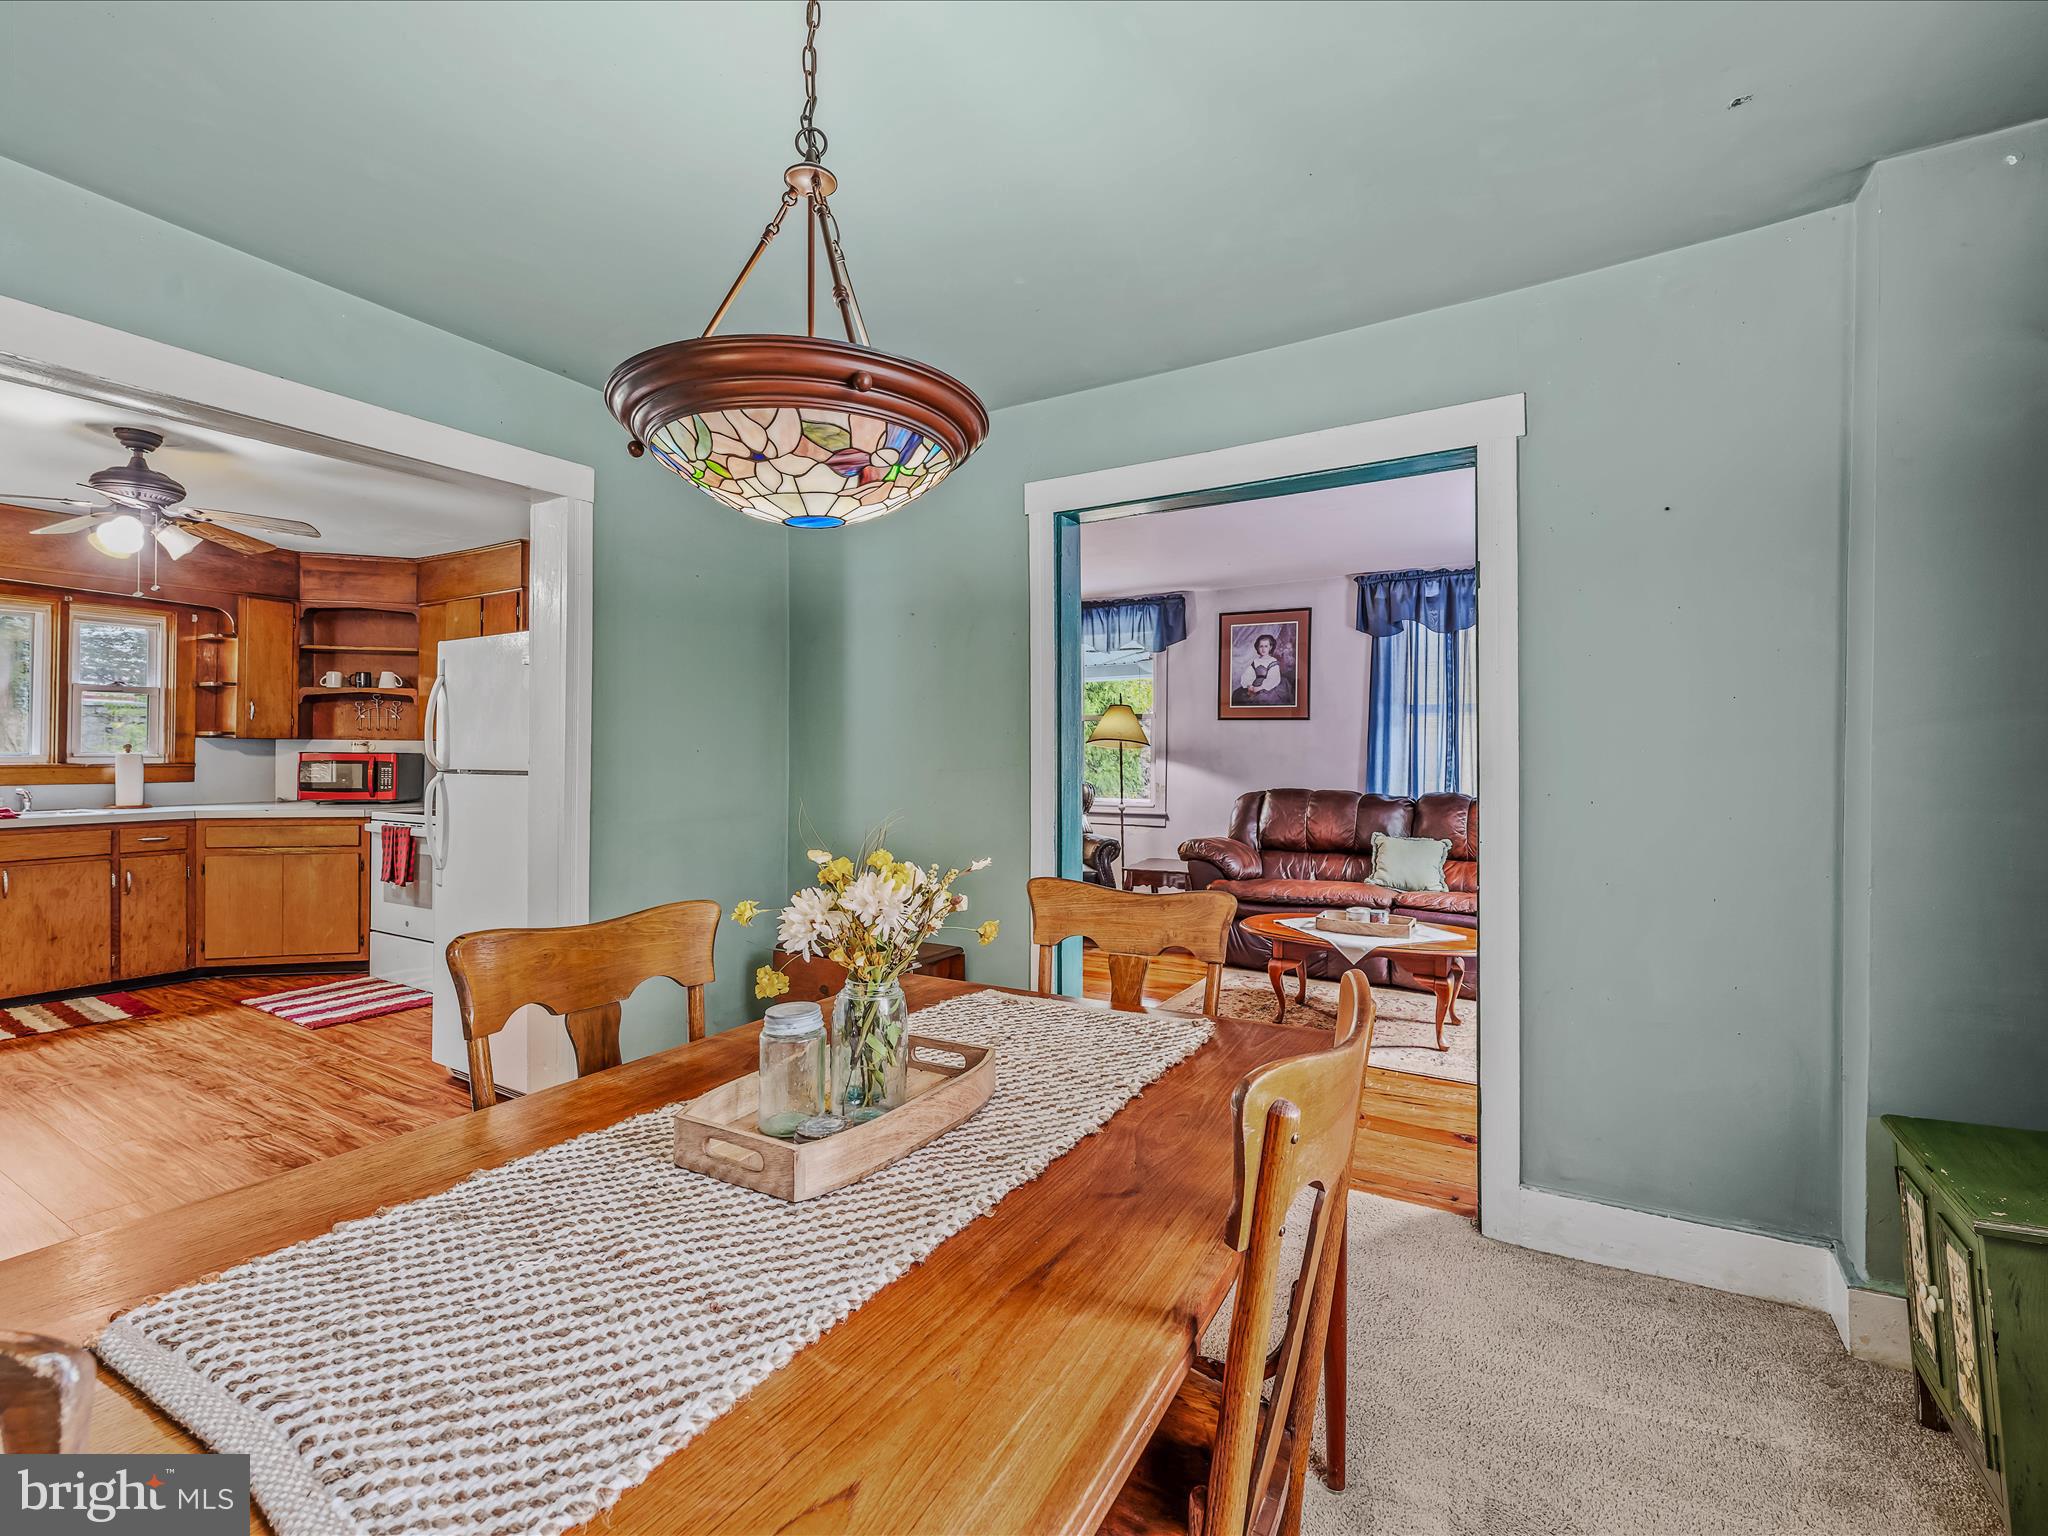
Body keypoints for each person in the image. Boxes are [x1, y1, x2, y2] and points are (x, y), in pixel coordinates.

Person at [1237, 633, 1285, 701]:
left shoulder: (1272, 661)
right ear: (1257, 647)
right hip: (1254, 686)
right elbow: (1248, 674)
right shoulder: (1256, 661)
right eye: (1261, 646)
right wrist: (1249, 685)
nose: (1263, 649)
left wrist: (1260, 687)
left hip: (1267, 688)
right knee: (1239, 696)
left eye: (1266, 646)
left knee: (1261, 699)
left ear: (1270, 647)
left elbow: (1273, 679)